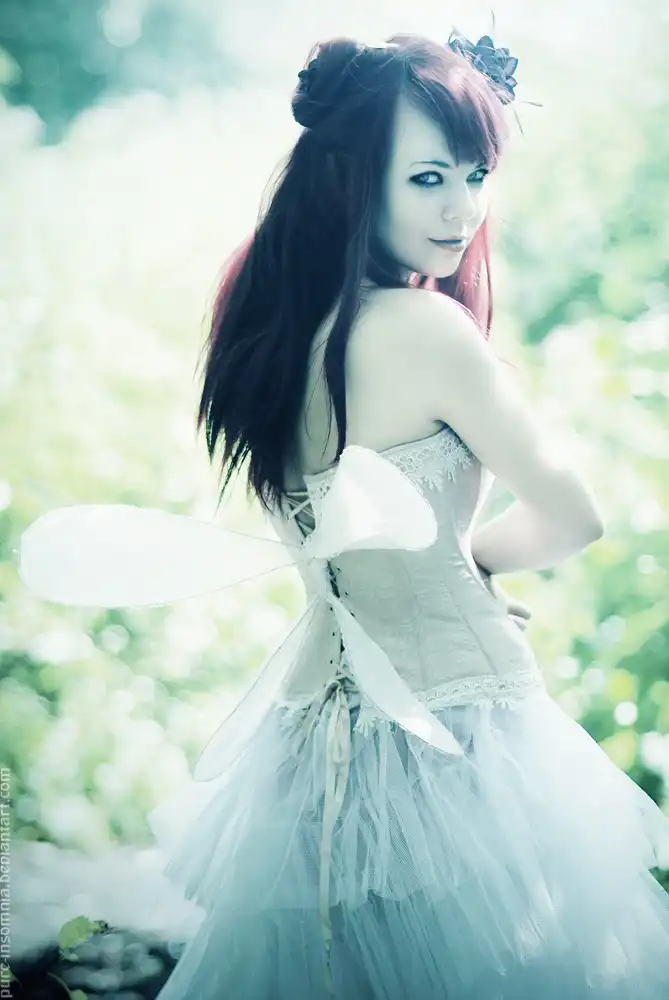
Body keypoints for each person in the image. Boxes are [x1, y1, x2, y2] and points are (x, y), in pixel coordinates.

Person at [17, 30, 669, 1000]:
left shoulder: (272, 336)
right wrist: (474, 566)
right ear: (352, 179)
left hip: (305, 753)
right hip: (457, 734)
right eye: (428, 178)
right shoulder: (424, 328)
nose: (462, 209)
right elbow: (572, 516)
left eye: (476, 175)